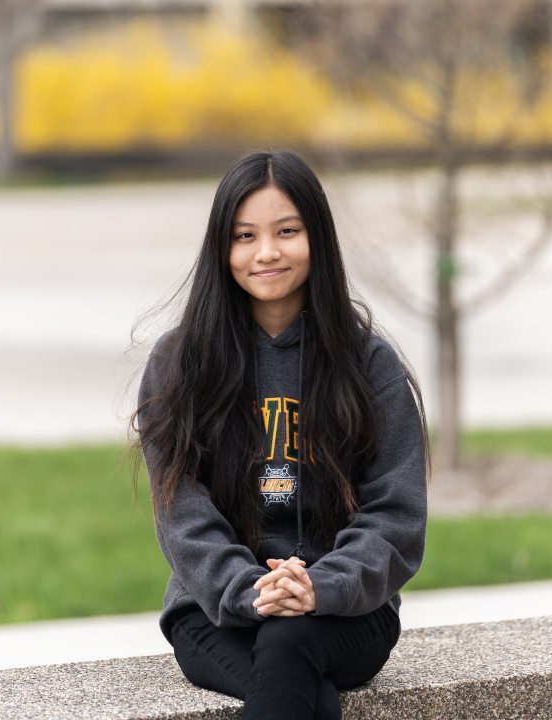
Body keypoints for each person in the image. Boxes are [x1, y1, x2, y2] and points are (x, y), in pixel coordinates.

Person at [132, 149, 429, 720]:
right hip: (213, 611)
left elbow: (396, 518)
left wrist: (320, 587)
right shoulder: (180, 364)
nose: (266, 252)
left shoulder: (368, 365)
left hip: (349, 612)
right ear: (222, 249)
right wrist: (253, 589)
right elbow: (182, 516)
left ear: (317, 237)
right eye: (245, 236)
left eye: (286, 231)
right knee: (298, 685)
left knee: (291, 646)